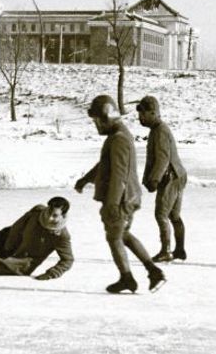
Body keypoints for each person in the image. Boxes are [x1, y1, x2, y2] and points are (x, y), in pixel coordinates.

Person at [74, 95, 165, 294]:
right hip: (124, 197)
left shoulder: (119, 139)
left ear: (106, 117)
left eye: (97, 120)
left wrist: (113, 204)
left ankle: (128, 278)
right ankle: (152, 271)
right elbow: (105, 165)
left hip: (123, 199)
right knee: (122, 235)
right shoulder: (117, 136)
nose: (96, 125)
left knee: (114, 237)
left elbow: (119, 174)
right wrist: (85, 179)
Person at [137, 95, 188, 262]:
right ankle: (179, 250)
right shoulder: (158, 129)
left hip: (170, 177)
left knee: (161, 214)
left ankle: (166, 251)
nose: (141, 118)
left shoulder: (159, 131)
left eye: (143, 114)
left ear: (153, 113)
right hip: (178, 175)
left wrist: (154, 179)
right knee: (174, 216)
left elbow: (163, 159)